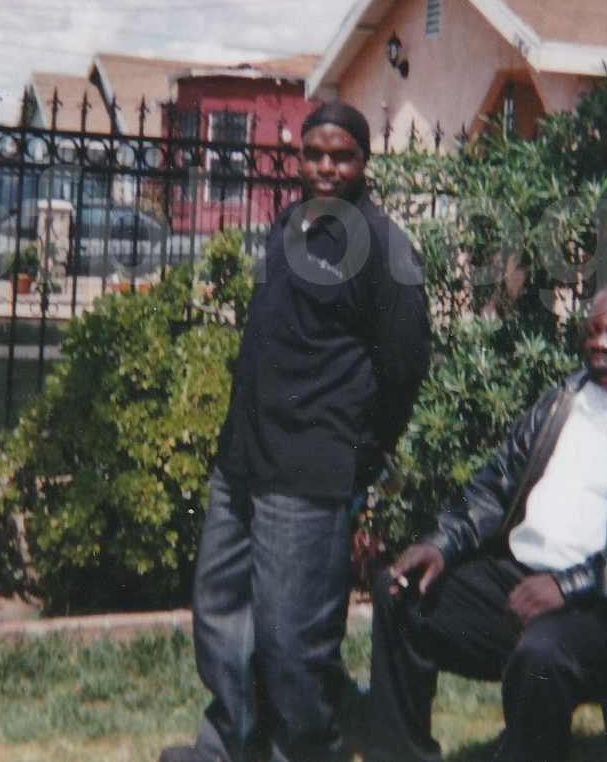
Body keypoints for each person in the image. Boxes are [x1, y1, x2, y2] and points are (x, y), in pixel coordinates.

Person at [159, 100, 433, 762]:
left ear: (365, 162)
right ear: (299, 157)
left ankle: (303, 750)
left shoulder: (387, 249)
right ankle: (231, 743)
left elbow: (404, 369)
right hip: (243, 458)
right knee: (222, 611)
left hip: (311, 469)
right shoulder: (288, 224)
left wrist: (356, 459)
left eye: (342, 155)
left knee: (291, 637)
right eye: (314, 154)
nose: (326, 167)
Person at [368, 280, 607, 762]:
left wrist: (570, 586)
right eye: (593, 330)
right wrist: (441, 543)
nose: (600, 343)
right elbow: (497, 486)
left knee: (544, 653)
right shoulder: (565, 399)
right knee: (401, 592)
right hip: (528, 582)